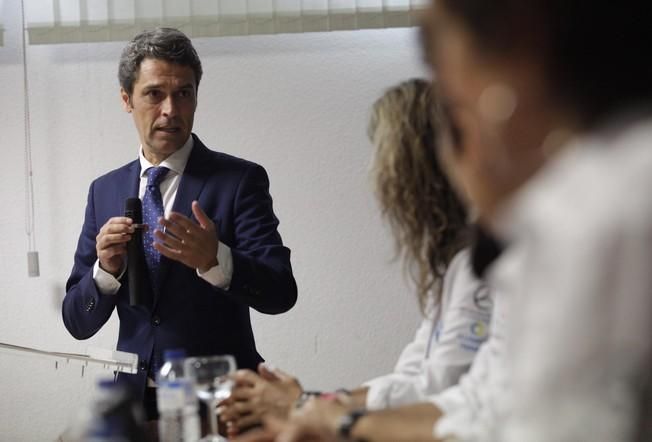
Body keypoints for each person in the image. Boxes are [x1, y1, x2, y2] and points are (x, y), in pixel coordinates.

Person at [242, 0, 652, 440]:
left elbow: (503, 417)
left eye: (459, 102)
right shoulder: (531, 234)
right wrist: (327, 415)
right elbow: (475, 404)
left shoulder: (600, 217)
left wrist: (326, 415)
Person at [221, 79, 492, 436]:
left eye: (382, 159)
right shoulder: (451, 264)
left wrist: (308, 406)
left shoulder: (483, 264)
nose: (377, 178)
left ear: (413, 170)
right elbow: (412, 373)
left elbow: (440, 386)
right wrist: (317, 404)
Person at [62, 27, 298, 419]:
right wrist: (105, 272)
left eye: (183, 93)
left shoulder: (239, 181)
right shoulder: (103, 191)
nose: (171, 110)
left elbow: (281, 292)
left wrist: (216, 260)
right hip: (135, 406)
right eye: (154, 94)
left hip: (222, 404)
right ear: (127, 99)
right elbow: (76, 321)